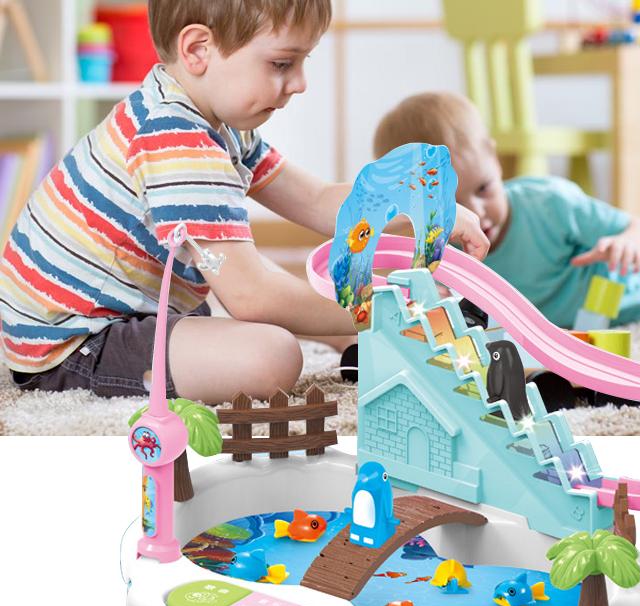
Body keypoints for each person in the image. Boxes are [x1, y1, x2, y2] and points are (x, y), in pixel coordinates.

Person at [0, 2, 487, 405]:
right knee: (271, 355)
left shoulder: (215, 120)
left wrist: (423, 211)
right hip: (74, 344)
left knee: (264, 292)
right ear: (198, 50)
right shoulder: (177, 139)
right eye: (282, 64)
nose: (300, 83)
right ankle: (357, 327)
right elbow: (251, 296)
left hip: (136, 311)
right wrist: (396, 308)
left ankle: (345, 334)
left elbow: (318, 200)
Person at [373, 92, 640, 334]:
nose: (477, 212)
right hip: (636, 301)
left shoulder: (549, 204)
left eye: (484, 189)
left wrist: (629, 244)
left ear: (494, 159)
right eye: (453, 208)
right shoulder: (430, 254)